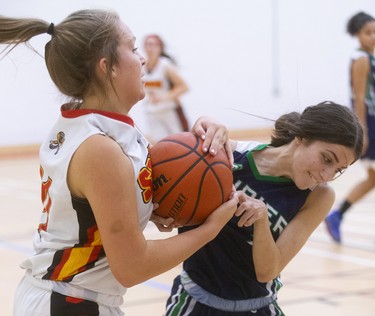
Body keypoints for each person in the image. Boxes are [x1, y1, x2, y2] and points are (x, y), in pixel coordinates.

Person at [0, 10, 240, 316]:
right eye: (133, 48)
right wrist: (213, 227)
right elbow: (132, 266)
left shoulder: (98, 126)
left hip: (71, 296)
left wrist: (205, 129)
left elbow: (104, 204)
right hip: (67, 300)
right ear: (107, 67)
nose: (142, 60)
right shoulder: (100, 149)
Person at [164, 101, 364, 316]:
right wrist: (205, 126)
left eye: (338, 170)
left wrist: (262, 222)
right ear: (302, 137)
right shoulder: (233, 155)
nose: (327, 175)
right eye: (326, 158)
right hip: (194, 299)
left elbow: (268, 271)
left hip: (257, 307)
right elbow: (173, 174)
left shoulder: (319, 196)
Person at [325, 12, 375, 243]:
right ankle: (336, 215)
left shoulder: (370, 56)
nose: (373, 36)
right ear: (357, 35)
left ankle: (337, 215)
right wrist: (362, 130)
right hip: (370, 124)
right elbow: (359, 97)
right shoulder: (361, 59)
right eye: (368, 33)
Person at [141, 34, 190, 144]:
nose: (150, 48)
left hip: (169, 111)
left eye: (153, 45)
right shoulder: (142, 66)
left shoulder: (165, 65)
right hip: (153, 113)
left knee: (180, 144)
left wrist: (163, 97)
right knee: (160, 146)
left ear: (160, 48)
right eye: (147, 44)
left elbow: (184, 87)